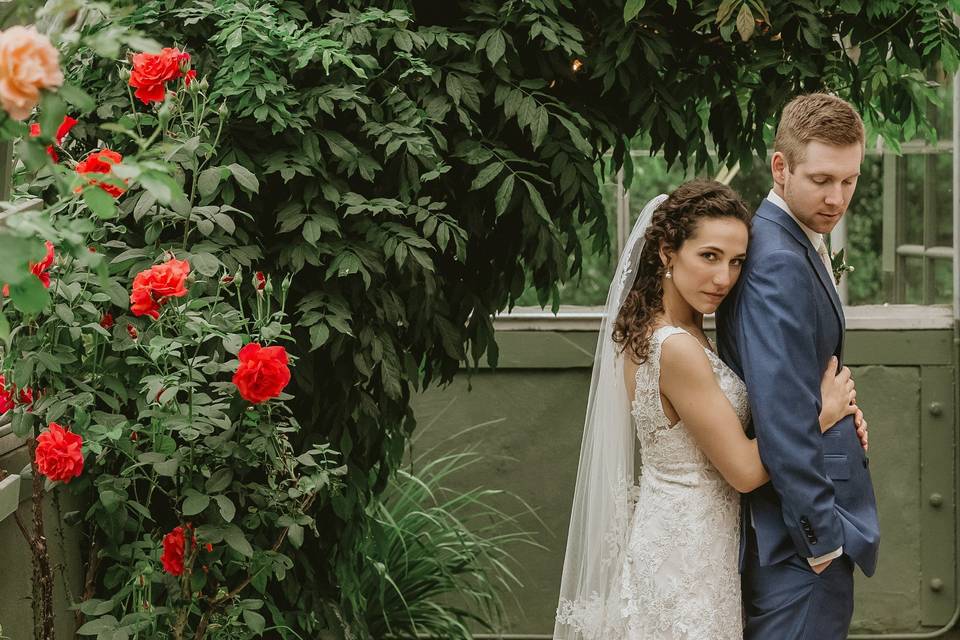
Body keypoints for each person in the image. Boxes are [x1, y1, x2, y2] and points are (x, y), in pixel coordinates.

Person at [554, 179, 868, 639]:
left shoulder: (674, 330)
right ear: (666, 252)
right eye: (709, 256)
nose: (724, 278)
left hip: (698, 539)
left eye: (737, 261)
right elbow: (742, 469)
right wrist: (821, 413)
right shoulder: (676, 347)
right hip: (687, 554)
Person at [717, 93, 880, 640]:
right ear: (780, 167)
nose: (838, 198)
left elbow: (801, 384)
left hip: (805, 524)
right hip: (800, 541)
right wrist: (822, 539)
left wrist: (840, 413)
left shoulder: (791, 241)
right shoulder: (777, 261)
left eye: (849, 181)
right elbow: (783, 414)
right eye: (821, 180)